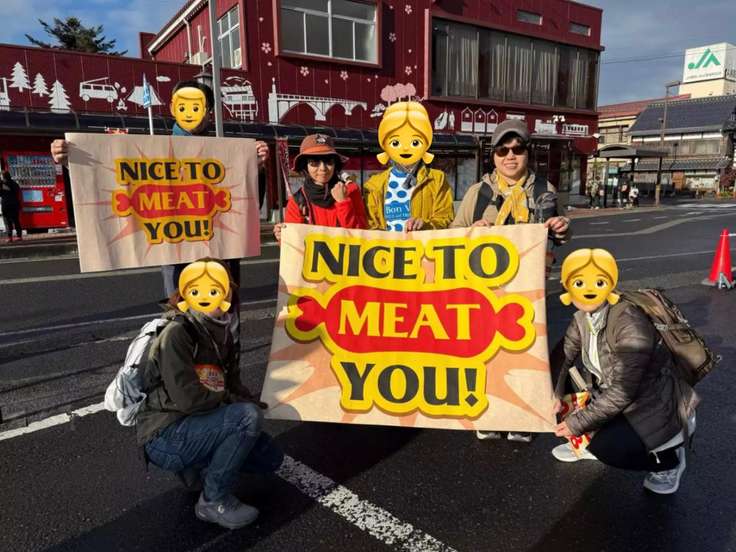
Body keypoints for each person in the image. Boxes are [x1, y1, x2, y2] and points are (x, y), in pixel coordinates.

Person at [50, 80, 270, 296]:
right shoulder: (153, 151)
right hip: (176, 259)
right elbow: (108, 179)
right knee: (182, 314)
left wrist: (256, 169)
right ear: (173, 109)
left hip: (221, 256)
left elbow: (247, 207)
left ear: (209, 112)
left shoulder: (229, 154)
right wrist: (73, 162)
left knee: (223, 314)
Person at [138, 258, 283, 529]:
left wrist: (254, 399)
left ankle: (198, 471)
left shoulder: (221, 329)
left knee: (269, 456)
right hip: (165, 435)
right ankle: (213, 500)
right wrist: (237, 404)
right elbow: (189, 399)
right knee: (246, 419)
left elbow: (230, 383)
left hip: (193, 422)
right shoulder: (177, 332)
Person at [450, 118, 571, 443]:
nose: (510, 156)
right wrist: (471, 230)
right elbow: (452, 235)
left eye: (517, 149)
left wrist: (562, 228)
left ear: (528, 152)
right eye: (502, 150)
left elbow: (559, 234)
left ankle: (523, 418)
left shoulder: (545, 190)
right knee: (487, 354)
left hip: (530, 289)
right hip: (486, 290)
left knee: (527, 354)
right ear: (493, 155)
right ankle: (489, 414)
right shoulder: (478, 193)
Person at [550, 249, 696, 495]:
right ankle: (591, 441)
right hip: (615, 395)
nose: (588, 290)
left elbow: (623, 391)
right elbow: (563, 357)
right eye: (578, 283)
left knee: (611, 448)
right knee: (555, 392)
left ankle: (669, 458)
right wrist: (554, 394)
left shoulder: (629, 322)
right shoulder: (583, 318)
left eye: (598, 282)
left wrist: (578, 423)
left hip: (653, 402)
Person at [363, 101, 454, 232]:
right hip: (387, 245)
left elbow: (446, 217)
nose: (405, 148)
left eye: (415, 142)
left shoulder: (437, 179)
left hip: (423, 245)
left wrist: (426, 225)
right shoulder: (373, 185)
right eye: (395, 142)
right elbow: (369, 224)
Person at [273, 134, 367, 242]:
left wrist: (343, 203)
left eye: (329, 162)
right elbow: (293, 247)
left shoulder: (352, 191)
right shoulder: (297, 201)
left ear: (335, 165)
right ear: (305, 167)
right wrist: (283, 237)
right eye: (314, 162)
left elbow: (362, 238)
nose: (323, 168)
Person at [0, 171, 22, 242]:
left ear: (3, 177)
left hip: (6, 204)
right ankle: (19, 236)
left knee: (7, 221)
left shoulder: (2, 185)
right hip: (15, 204)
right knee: (16, 220)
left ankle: (10, 237)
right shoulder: (15, 183)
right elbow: (18, 192)